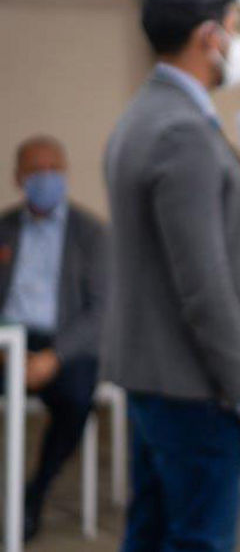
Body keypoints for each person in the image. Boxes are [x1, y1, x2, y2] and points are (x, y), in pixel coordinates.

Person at [103, 0, 240, 551]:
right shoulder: (182, 129)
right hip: (193, 384)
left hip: (154, 375)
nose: (236, 42)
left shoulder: (145, 114)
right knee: (199, 538)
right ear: (209, 36)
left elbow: (174, 236)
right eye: (233, 27)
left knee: (151, 534)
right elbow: (202, 283)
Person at [0, 136, 107, 541]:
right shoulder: (5, 229)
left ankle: (34, 494)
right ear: (18, 178)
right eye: (35, 170)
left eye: (54, 169)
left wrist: (54, 357)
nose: (46, 178)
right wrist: (6, 350)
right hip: (8, 340)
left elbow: (100, 310)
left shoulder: (91, 233)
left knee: (78, 399)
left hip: (65, 344)